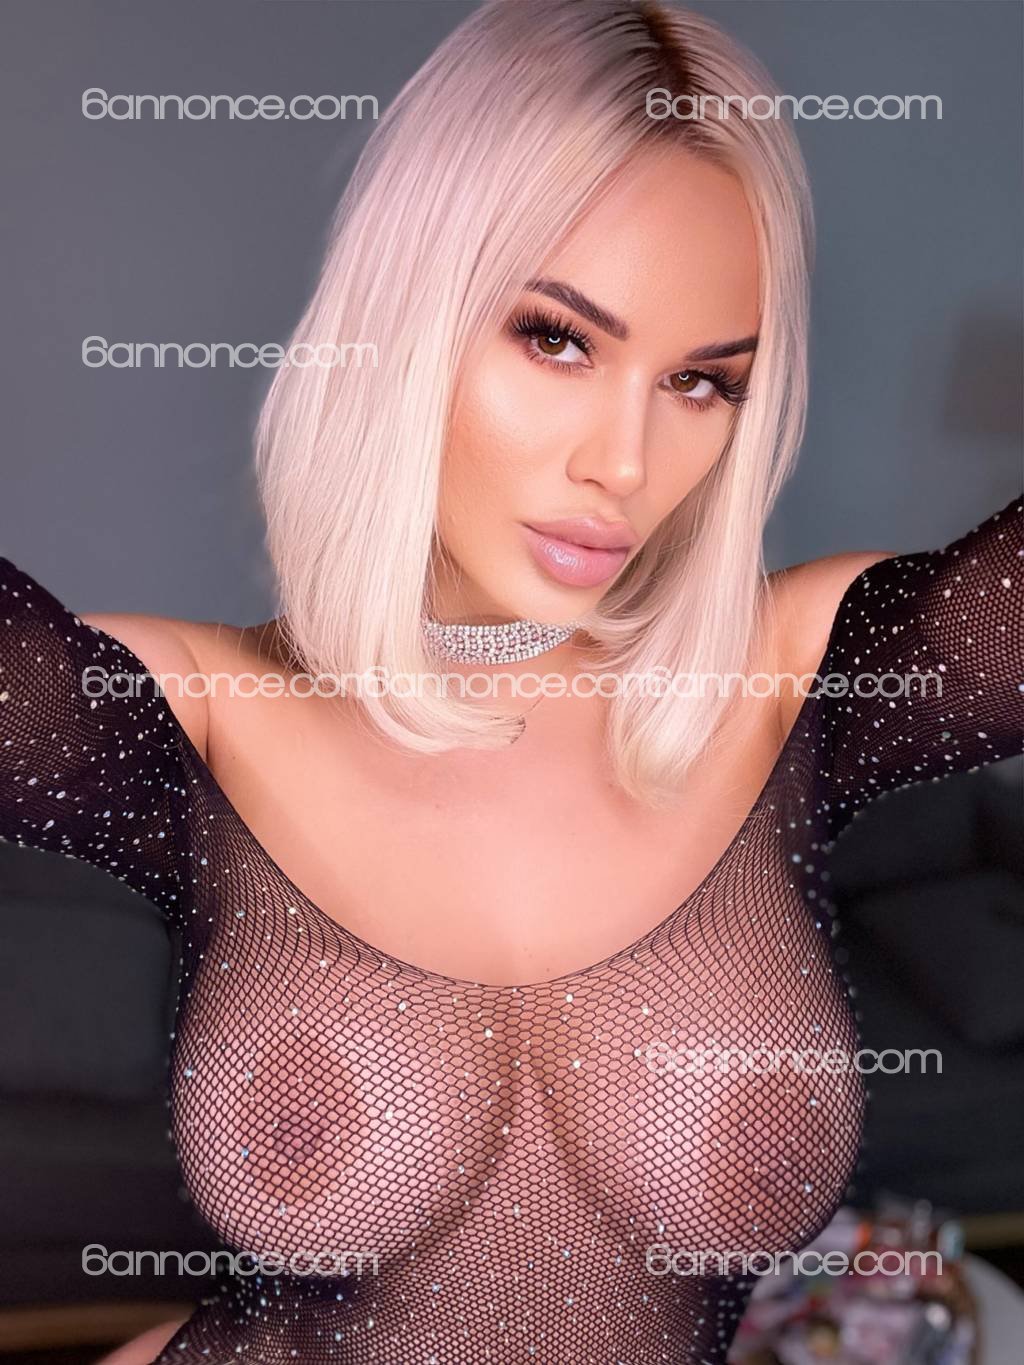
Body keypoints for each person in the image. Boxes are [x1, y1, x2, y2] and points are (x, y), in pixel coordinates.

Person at [2, 1, 1020, 1362]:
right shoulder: (184, 718)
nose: (625, 462)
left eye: (702, 382)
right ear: (402, 322)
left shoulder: (798, 680)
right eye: (557, 338)